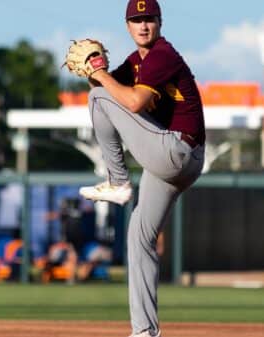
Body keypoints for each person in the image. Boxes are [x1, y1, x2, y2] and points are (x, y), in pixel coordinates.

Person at [78, 1, 205, 335]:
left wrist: (99, 75)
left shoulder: (162, 55)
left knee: (97, 100)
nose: (143, 25)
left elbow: (132, 102)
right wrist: (96, 70)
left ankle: (118, 181)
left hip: (177, 149)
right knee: (139, 238)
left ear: (160, 22)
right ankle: (144, 332)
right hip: (173, 162)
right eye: (136, 20)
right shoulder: (136, 62)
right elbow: (107, 92)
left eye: (149, 19)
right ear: (128, 27)